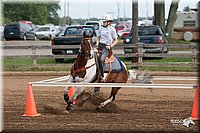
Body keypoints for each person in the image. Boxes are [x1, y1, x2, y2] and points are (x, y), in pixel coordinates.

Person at [96, 14, 118, 81]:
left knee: (102, 59)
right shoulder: (100, 28)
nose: (103, 23)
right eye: (103, 22)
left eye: (105, 22)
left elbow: (116, 40)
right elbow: (98, 37)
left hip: (107, 47)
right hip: (100, 45)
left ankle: (101, 75)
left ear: (109, 22)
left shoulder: (112, 29)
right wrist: (97, 44)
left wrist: (110, 46)